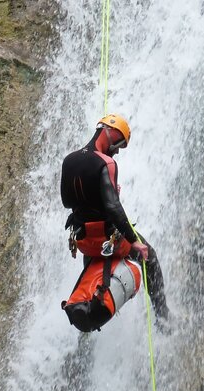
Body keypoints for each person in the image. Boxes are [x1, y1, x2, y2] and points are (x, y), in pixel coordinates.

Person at [60, 113, 169, 322]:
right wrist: (135, 241)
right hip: (109, 238)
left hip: (84, 241)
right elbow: (113, 207)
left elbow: (67, 202)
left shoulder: (69, 160)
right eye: (119, 143)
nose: (117, 150)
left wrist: (99, 194)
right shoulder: (106, 163)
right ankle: (163, 318)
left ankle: (86, 328)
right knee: (150, 258)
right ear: (109, 132)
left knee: (94, 283)